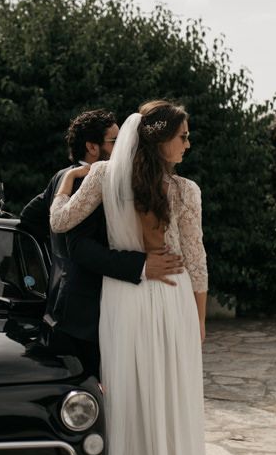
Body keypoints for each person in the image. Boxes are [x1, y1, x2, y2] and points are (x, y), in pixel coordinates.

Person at [49, 100, 228, 455]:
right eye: (184, 136)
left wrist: (65, 185)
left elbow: (60, 222)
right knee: (168, 401)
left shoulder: (105, 175)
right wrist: (199, 319)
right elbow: (196, 259)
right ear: (160, 138)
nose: (188, 144)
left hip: (125, 304)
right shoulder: (185, 190)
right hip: (168, 302)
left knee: (133, 400)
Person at [21, 108, 184, 373]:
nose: (124, 146)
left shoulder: (63, 176)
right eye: (115, 141)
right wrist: (141, 264)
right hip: (88, 313)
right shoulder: (88, 180)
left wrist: (54, 261)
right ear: (91, 147)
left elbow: (28, 218)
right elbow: (80, 248)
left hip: (63, 306)